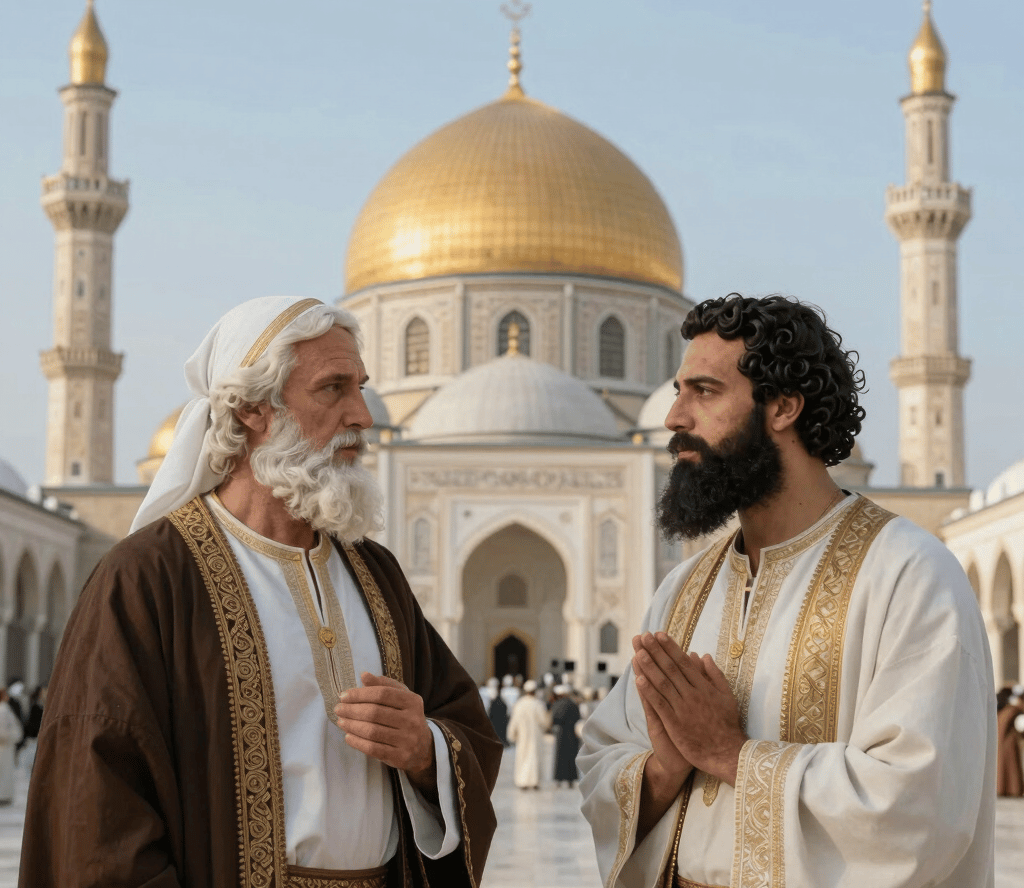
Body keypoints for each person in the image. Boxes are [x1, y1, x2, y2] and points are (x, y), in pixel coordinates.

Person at [20, 296, 502, 888]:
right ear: (252, 409)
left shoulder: (374, 575)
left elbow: (464, 725)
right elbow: (98, 807)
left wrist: (425, 751)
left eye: (360, 388)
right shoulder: (151, 579)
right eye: (333, 389)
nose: (362, 415)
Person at [578, 294, 996, 888]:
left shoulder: (907, 573)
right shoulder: (685, 588)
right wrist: (664, 768)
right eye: (678, 391)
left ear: (783, 407)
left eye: (704, 391)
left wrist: (728, 753)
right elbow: (603, 759)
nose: (674, 417)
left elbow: (921, 808)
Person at [506, 679, 550, 790]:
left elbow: (514, 721)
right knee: (534, 757)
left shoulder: (519, 704)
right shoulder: (538, 704)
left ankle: (523, 781)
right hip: (535, 736)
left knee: (523, 757)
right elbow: (543, 721)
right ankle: (534, 781)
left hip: (522, 736)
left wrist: (512, 734)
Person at [550, 685, 581, 788]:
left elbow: (554, 718)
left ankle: (559, 779)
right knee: (571, 757)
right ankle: (570, 780)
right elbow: (578, 717)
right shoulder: (573, 704)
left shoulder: (557, 704)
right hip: (572, 734)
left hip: (561, 734)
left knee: (560, 757)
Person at [996, 684, 1024, 797]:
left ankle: (1003, 789)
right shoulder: (1014, 710)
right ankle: (1012, 789)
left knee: (1003, 766)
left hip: (1002, 742)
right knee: (1011, 766)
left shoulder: (1004, 711)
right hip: (1010, 742)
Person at [0, 690, 21, 805]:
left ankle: (4, 795)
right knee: (4, 772)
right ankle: (3, 795)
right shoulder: (3, 709)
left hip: (6, 745)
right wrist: (11, 736)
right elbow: (3, 730)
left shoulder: (4, 709)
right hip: (4, 745)